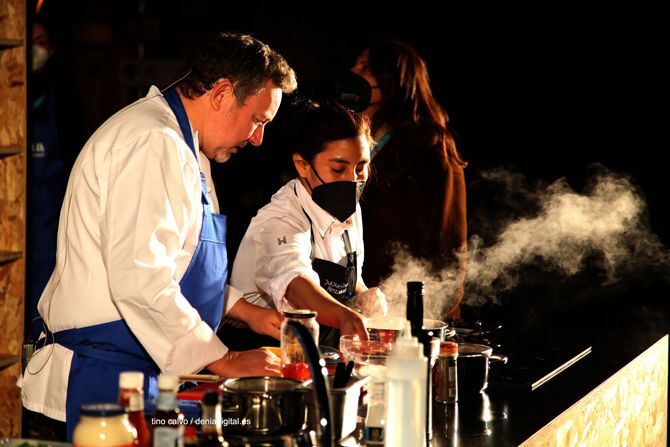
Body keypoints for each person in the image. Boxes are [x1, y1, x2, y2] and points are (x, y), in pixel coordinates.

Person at [19, 32, 297, 440]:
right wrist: (226, 360)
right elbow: (140, 278)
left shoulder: (187, 147)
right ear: (221, 93)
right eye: (258, 120)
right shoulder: (152, 142)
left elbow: (176, 265)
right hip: (106, 378)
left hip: (143, 370)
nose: (258, 139)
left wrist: (246, 311)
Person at [225, 102, 387, 349]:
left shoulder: (352, 211)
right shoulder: (279, 220)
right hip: (263, 349)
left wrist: (363, 295)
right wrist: (343, 315)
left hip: (320, 347)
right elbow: (295, 285)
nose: (352, 180)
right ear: (302, 165)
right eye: (338, 169)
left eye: (361, 168)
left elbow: (347, 280)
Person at [349, 39, 467, 318]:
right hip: (365, 301)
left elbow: (446, 244)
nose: (353, 72)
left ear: (393, 80)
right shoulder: (356, 138)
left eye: (365, 68)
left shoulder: (429, 148)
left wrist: (423, 313)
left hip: (410, 310)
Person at [26, 17, 85, 341]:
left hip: (50, 220)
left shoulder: (63, 99)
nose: (36, 49)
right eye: (31, 41)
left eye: (42, 42)